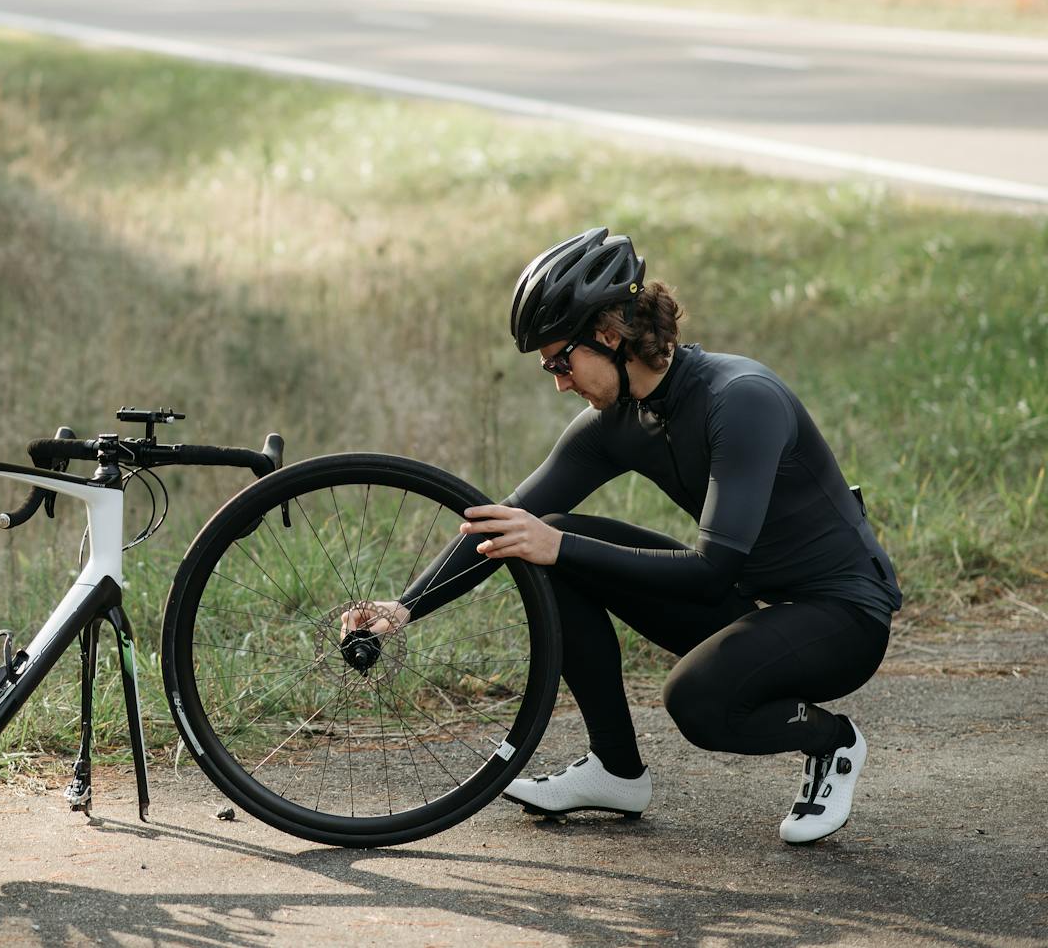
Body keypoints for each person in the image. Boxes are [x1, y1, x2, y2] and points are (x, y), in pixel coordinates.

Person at [341, 227, 901, 845]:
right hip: (754, 602)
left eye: (560, 361)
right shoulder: (616, 421)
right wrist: (403, 608)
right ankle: (615, 769)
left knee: (695, 699)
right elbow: (503, 522)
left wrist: (560, 546)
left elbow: (712, 568)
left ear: (608, 335)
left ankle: (833, 743)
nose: (558, 381)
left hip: (842, 617)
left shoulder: (739, 400)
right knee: (541, 541)